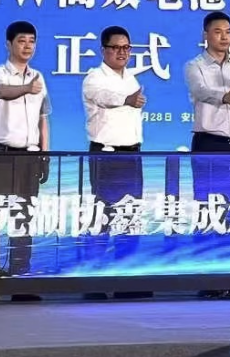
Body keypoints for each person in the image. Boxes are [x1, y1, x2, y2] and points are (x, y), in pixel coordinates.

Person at [184, 11, 230, 299]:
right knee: (208, 208)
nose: (224, 36)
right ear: (206, 35)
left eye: (228, 31)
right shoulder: (195, 66)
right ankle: (208, 277)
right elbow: (200, 91)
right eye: (218, 31)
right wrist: (222, 96)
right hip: (208, 142)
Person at [0, 20, 49, 303]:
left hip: (28, 156)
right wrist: (27, 88)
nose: (27, 46)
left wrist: (44, 153)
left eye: (32, 41)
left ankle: (21, 276)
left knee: (24, 217)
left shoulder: (39, 77)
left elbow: (43, 118)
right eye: (21, 41)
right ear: (9, 44)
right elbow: (3, 92)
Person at [81, 25, 150, 300]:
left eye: (126, 48)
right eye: (116, 47)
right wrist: (126, 99)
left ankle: (126, 279)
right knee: (103, 216)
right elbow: (104, 98)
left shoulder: (131, 79)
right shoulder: (94, 78)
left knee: (130, 215)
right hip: (106, 155)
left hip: (132, 154)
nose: (122, 52)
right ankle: (93, 281)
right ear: (104, 50)